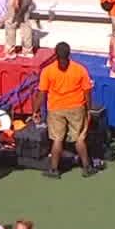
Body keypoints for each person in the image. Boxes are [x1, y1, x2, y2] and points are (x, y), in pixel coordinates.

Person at [37, 42, 96, 179]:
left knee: (57, 139)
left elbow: (41, 93)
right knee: (79, 138)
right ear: (69, 54)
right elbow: (87, 91)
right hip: (76, 107)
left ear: (55, 54)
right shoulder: (80, 69)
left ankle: (54, 170)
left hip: (56, 109)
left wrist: (35, 110)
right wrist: (88, 109)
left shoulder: (47, 71)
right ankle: (87, 167)